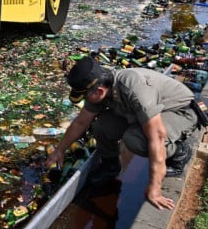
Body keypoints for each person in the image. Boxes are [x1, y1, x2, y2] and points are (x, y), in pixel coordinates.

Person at [45, 56, 199, 210]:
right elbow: (81, 122)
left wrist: (154, 188)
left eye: (85, 97)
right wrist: (60, 150)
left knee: (136, 140)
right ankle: (110, 165)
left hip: (177, 111)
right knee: (101, 126)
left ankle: (180, 152)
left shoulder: (135, 90)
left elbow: (157, 138)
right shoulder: (101, 85)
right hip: (139, 114)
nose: (85, 101)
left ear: (99, 91)